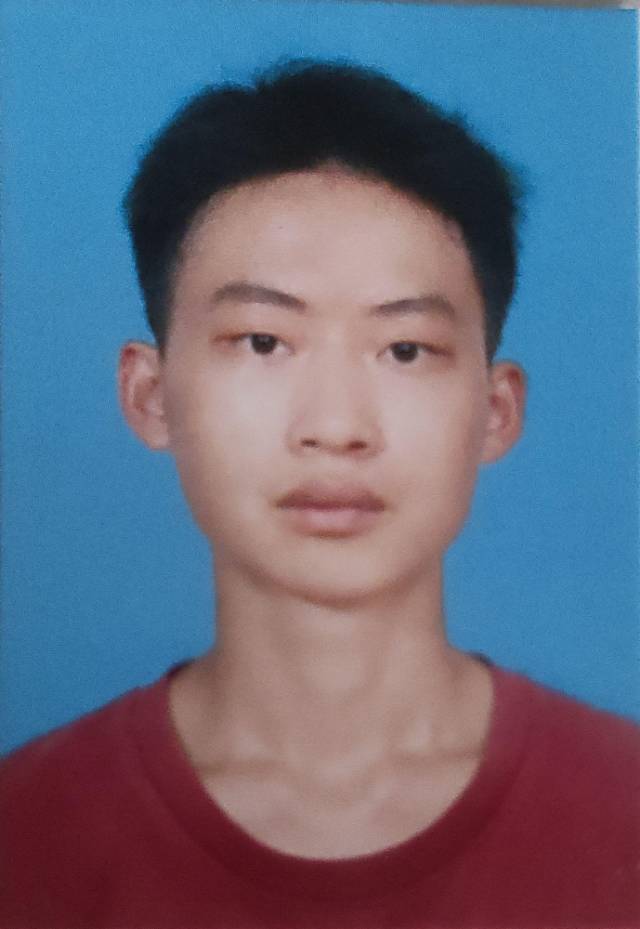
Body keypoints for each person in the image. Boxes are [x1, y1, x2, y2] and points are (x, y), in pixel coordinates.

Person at [1, 60, 638, 929]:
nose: (336, 426)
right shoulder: (28, 831)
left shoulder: (623, 807)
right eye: (263, 341)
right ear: (150, 396)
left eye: (405, 349)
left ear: (496, 412)